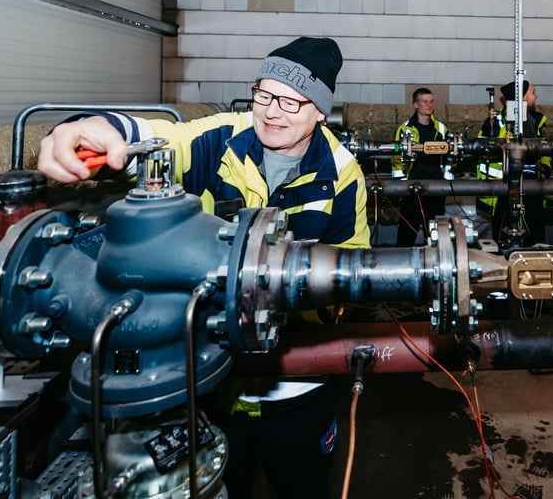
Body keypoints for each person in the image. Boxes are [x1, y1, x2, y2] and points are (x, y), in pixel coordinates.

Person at [38, 36, 369, 499]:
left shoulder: (341, 172)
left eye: (293, 101)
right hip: (207, 382)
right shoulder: (220, 138)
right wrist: (94, 127)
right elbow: (156, 139)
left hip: (298, 386)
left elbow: (350, 275)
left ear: (319, 110)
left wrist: (293, 303)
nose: (273, 111)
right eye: (264, 93)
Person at [476, 80, 549, 244]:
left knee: (535, 237)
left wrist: (545, 168)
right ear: (521, 97)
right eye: (532, 92)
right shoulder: (494, 123)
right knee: (503, 238)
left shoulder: (536, 120)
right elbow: (481, 149)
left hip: (533, 189)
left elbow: (547, 150)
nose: (535, 97)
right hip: (503, 189)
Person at [392, 87, 453, 246]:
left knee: (434, 234)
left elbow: (449, 156)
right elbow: (397, 158)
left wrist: (447, 179)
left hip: (436, 189)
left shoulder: (440, 129)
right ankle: (402, 263)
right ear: (415, 104)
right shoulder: (405, 129)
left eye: (431, 101)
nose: (429, 104)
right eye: (424, 101)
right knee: (407, 232)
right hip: (412, 189)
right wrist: (401, 185)